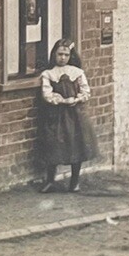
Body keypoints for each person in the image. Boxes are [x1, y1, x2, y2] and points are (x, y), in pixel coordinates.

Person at [37, 39, 98, 193]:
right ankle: (50, 180)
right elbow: (47, 93)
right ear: (54, 55)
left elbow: (86, 91)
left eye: (66, 55)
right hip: (56, 114)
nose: (62, 58)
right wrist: (59, 99)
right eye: (59, 54)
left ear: (71, 56)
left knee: (76, 144)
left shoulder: (77, 73)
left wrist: (76, 99)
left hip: (75, 115)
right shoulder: (49, 74)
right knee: (54, 144)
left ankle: (74, 181)